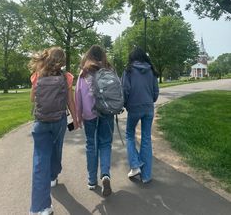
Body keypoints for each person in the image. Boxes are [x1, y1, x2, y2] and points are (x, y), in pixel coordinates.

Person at [29, 47, 78, 215]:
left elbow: (32, 98)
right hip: (59, 121)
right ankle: (53, 176)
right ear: (62, 61)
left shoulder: (37, 75)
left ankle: (39, 208)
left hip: (40, 121)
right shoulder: (67, 77)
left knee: (39, 162)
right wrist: (76, 119)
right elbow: (70, 101)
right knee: (56, 151)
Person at [75, 45, 114, 197]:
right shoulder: (109, 70)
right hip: (106, 112)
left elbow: (78, 95)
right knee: (105, 144)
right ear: (103, 56)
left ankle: (92, 181)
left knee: (91, 145)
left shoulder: (84, 73)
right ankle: (105, 174)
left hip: (89, 114)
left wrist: (78, 116)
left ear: (88, 56)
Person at [122, 47, 159, 184]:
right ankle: (146, 176)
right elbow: (156, 91)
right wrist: (151, 100)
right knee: (146, 139)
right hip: (149, 107)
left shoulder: (129, 70)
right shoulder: (152, 70)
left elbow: (125, 89)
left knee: (129, 135)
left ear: (132, 58)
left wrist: (125, 104)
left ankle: (135, 165)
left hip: (134, 107)